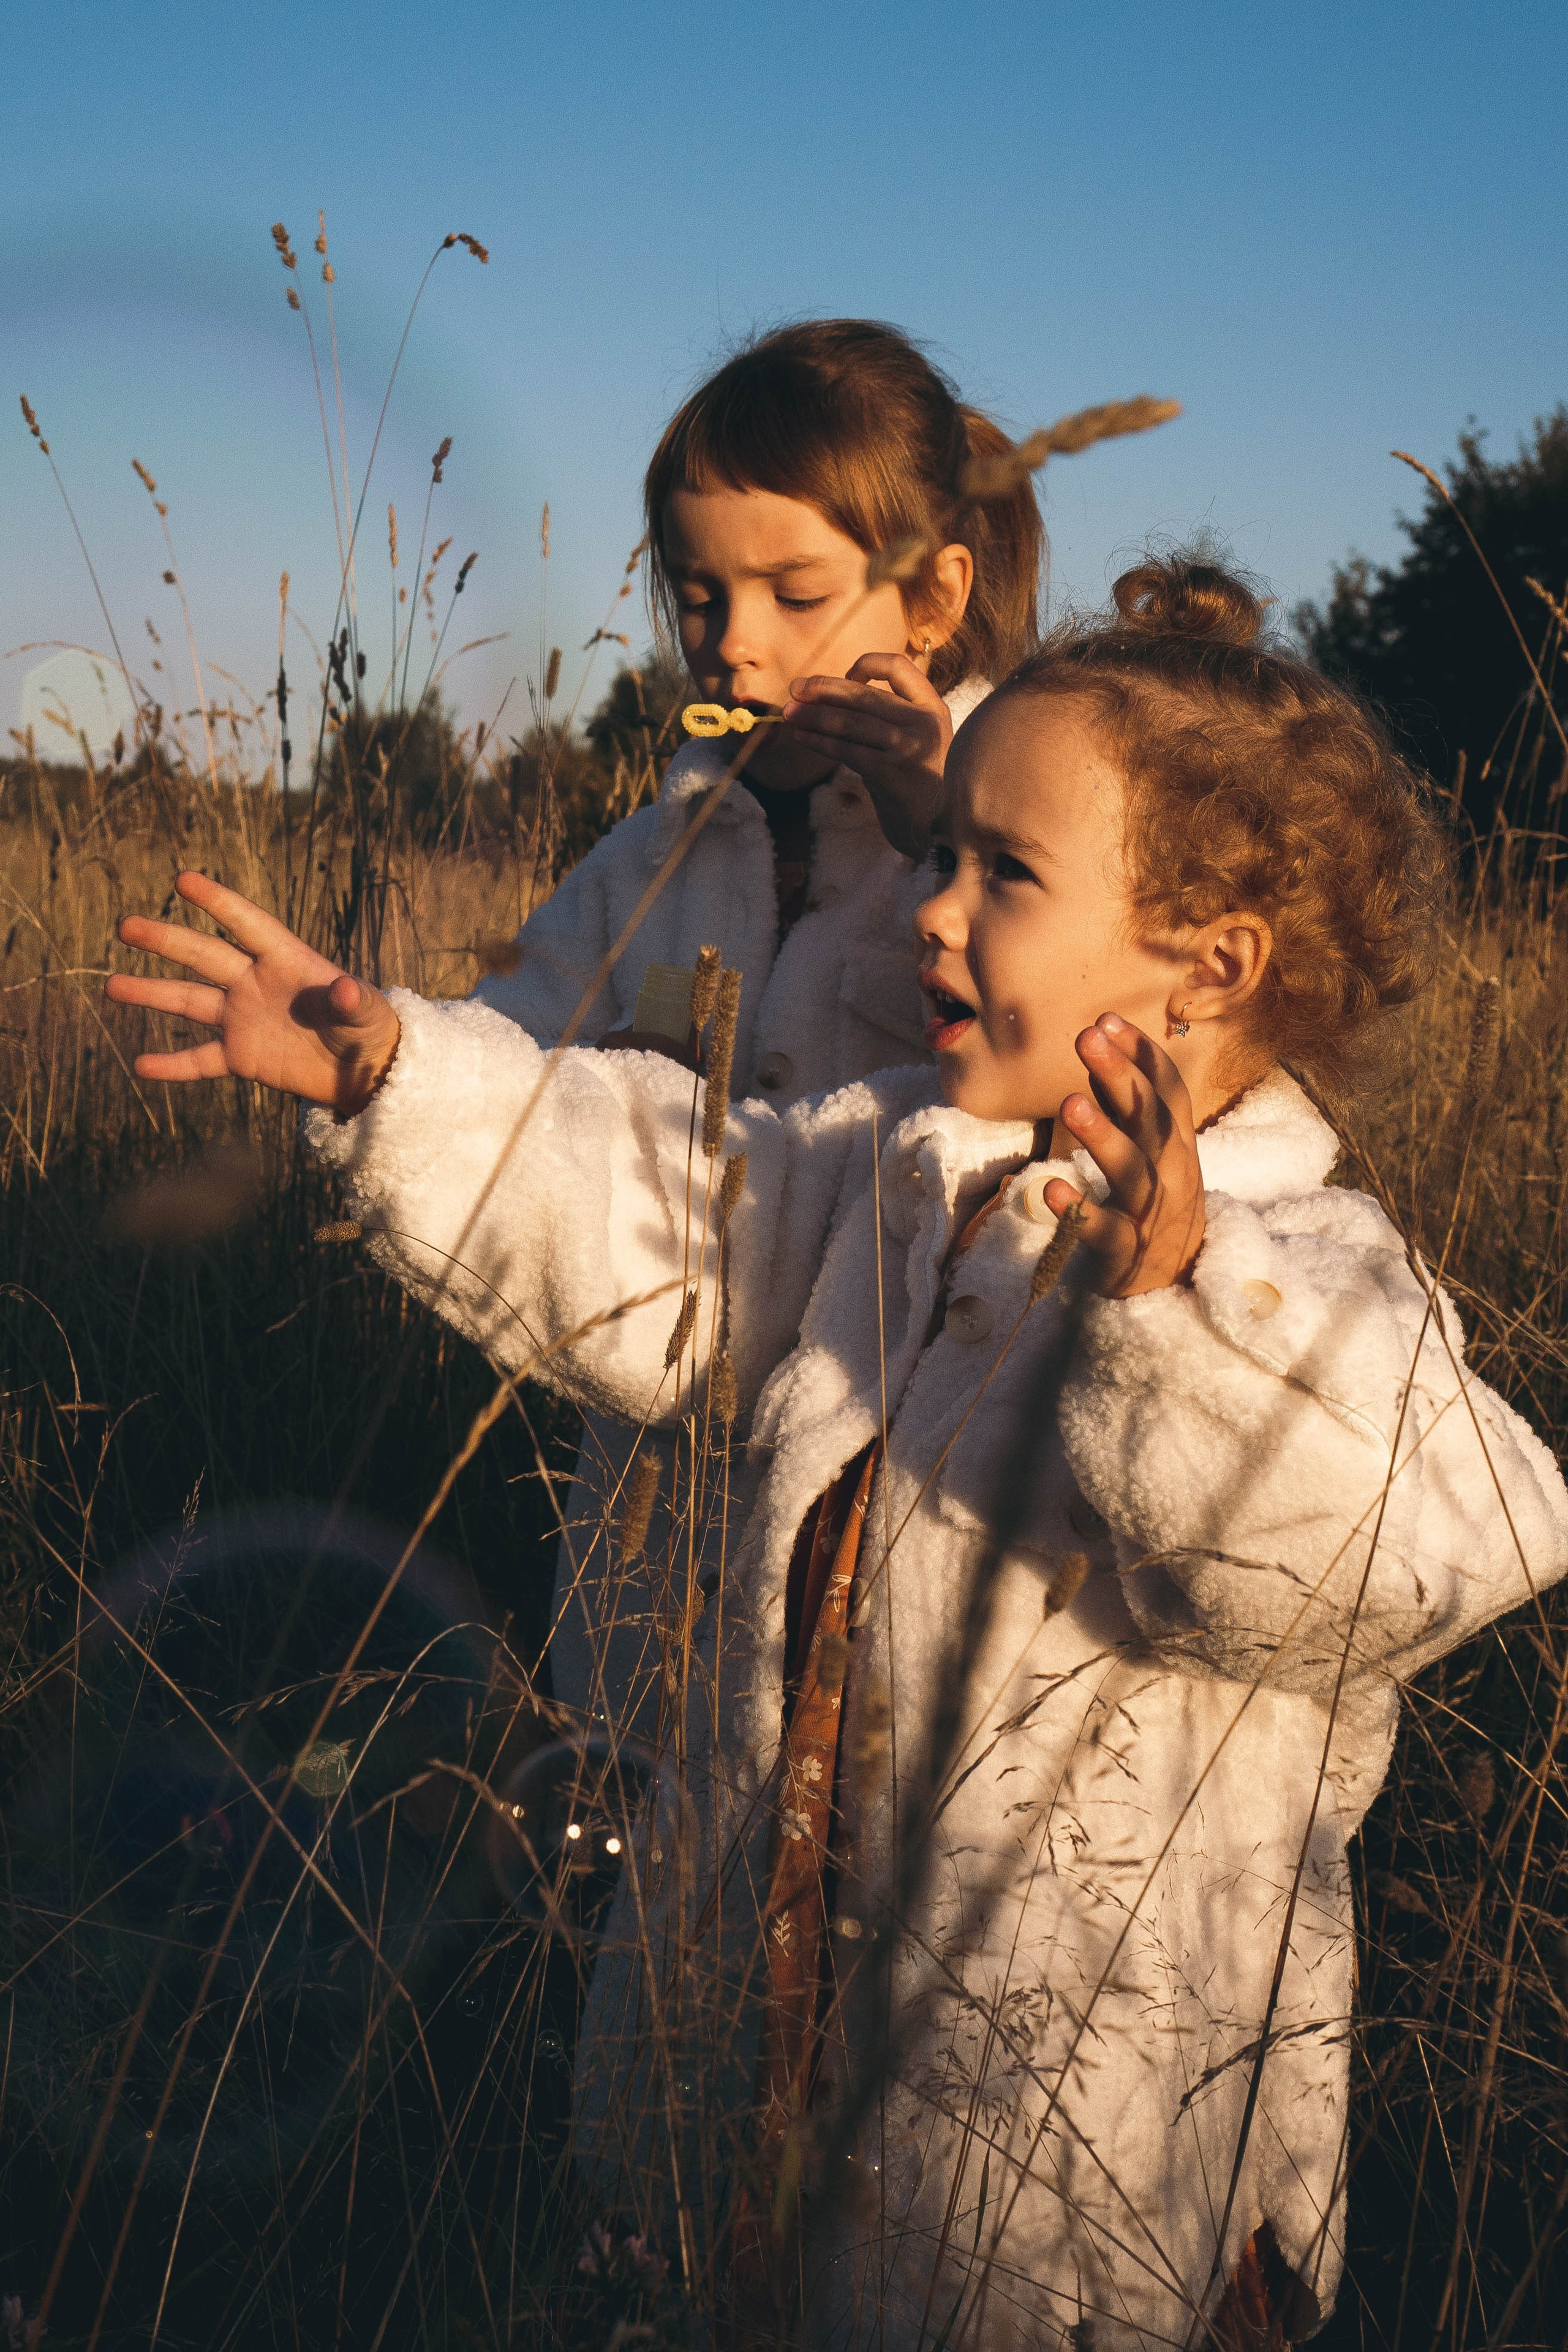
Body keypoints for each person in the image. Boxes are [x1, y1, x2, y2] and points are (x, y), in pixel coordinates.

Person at [107, 552, 1568, 2348]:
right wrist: (397, 1074)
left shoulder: (1313, 1275)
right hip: (764, 2065)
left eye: (1001, 874)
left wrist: (1176, 1297)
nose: (932, 915)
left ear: (1209, 970)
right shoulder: (886, 1169)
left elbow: (1425, 1539)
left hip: (1071, 2181)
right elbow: (656, 1206)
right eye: (941, 851)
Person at [473, 320, 1044, 1741]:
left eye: (793, 593)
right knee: (648, 1844)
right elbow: (509, 1064)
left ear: (930, 599)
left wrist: (941, 829)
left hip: (898, 1498)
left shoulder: (1028, 845)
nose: (735, 641)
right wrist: (376, 1054)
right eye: (697, 596)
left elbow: (1066, 1071)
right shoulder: (657, 854)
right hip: (652, 1507)